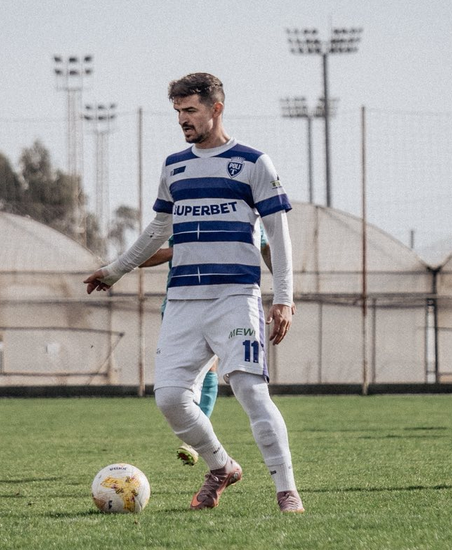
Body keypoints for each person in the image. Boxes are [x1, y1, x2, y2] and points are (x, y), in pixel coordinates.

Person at [84, 73, 303, 512]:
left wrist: (283, 297)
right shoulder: (174, 166)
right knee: (169, 398)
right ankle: (222, 467)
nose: (183, 120)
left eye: (190, 110)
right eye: (178, 112)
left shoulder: (253, 163)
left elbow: (278, 236)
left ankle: (287, 490)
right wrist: (116, 270)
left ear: (215, 109)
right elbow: (157, 230)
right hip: (183, 301)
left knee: (251, 391)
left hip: (235, 298)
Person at [142, 230, 272, 466]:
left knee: (229, 375)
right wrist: (183, 251)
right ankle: (201, 442)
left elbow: (266, 247)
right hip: (180, 307)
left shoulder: (244, 214)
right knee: (171, 393)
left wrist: (285, 292)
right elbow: (142, 256)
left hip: (227, 304)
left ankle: (198, 446)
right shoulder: (175, 215)